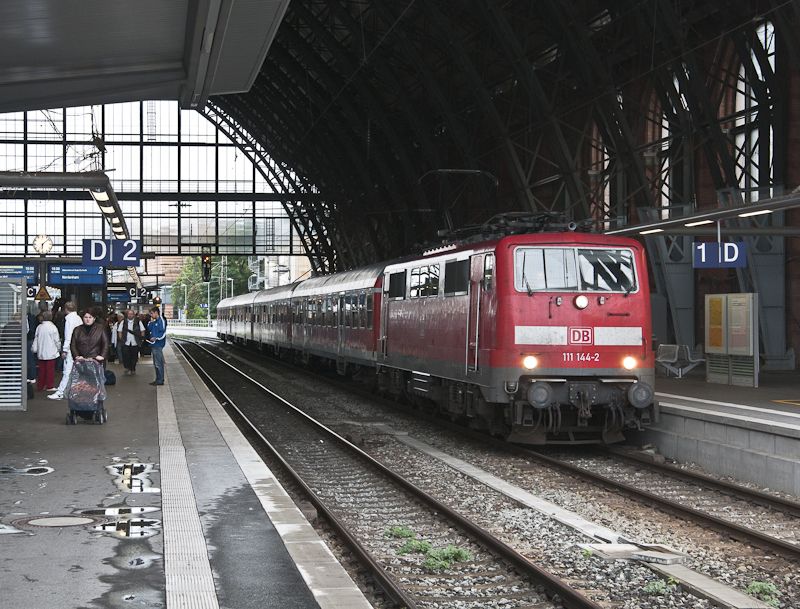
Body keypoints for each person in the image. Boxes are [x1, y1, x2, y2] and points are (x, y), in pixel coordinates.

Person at [70, 308, 108, 405]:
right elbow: (73, 344)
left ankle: (97, 405)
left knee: (96, 386)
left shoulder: (100, 329)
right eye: (85, 317)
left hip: (96, 362)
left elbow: (105, 343)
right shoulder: (77, 330)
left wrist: (102, 356)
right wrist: (76, 356)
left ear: (94, 318)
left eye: (90, 317)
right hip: (81, 363)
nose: (88, 319)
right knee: (82, 386)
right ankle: (82, 405)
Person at [49, 301, 81, 401]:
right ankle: (75, 391)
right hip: (78, 348)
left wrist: (64, 350)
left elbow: (68, 336)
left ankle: (60, 392)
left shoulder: (69, 320)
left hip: (71, 349)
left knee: (67, 370)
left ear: (65, 309)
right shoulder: (78, 319)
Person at [32, 311, 61, 392]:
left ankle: (40, 386)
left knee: (42, 370)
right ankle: (49, 385)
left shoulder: (39, 327)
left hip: (41, 351)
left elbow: (36, 338)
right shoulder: (53, 327)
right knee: (50, 370)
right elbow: (57, 340)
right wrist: (59, 348)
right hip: (51, 351)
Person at [118, 309, 145, 376]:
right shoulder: (123, 322)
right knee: (126, 355)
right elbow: (119, 331)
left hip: (134, 342)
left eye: (131, 314)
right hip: (126, 342)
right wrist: (121, 339)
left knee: (134, 356)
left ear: (133, 315)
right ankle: (127, 367)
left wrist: (141, 339)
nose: (130, 315)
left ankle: (132, 369)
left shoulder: (138, 322)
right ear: (127, 315)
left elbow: (142, 330)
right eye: (129, 314)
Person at [147, 306, 167, 386]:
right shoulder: (155, 321)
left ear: (156, 312)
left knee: (158, 362)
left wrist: (157, 338)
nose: (151, 315)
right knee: (156, 363)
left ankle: (160, 379)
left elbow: (163, 332)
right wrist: (151, 322)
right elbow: (149, 329)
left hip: (158, 344)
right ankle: (158, 378)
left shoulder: (161, 321)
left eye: (152, 313)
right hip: (153, 344)